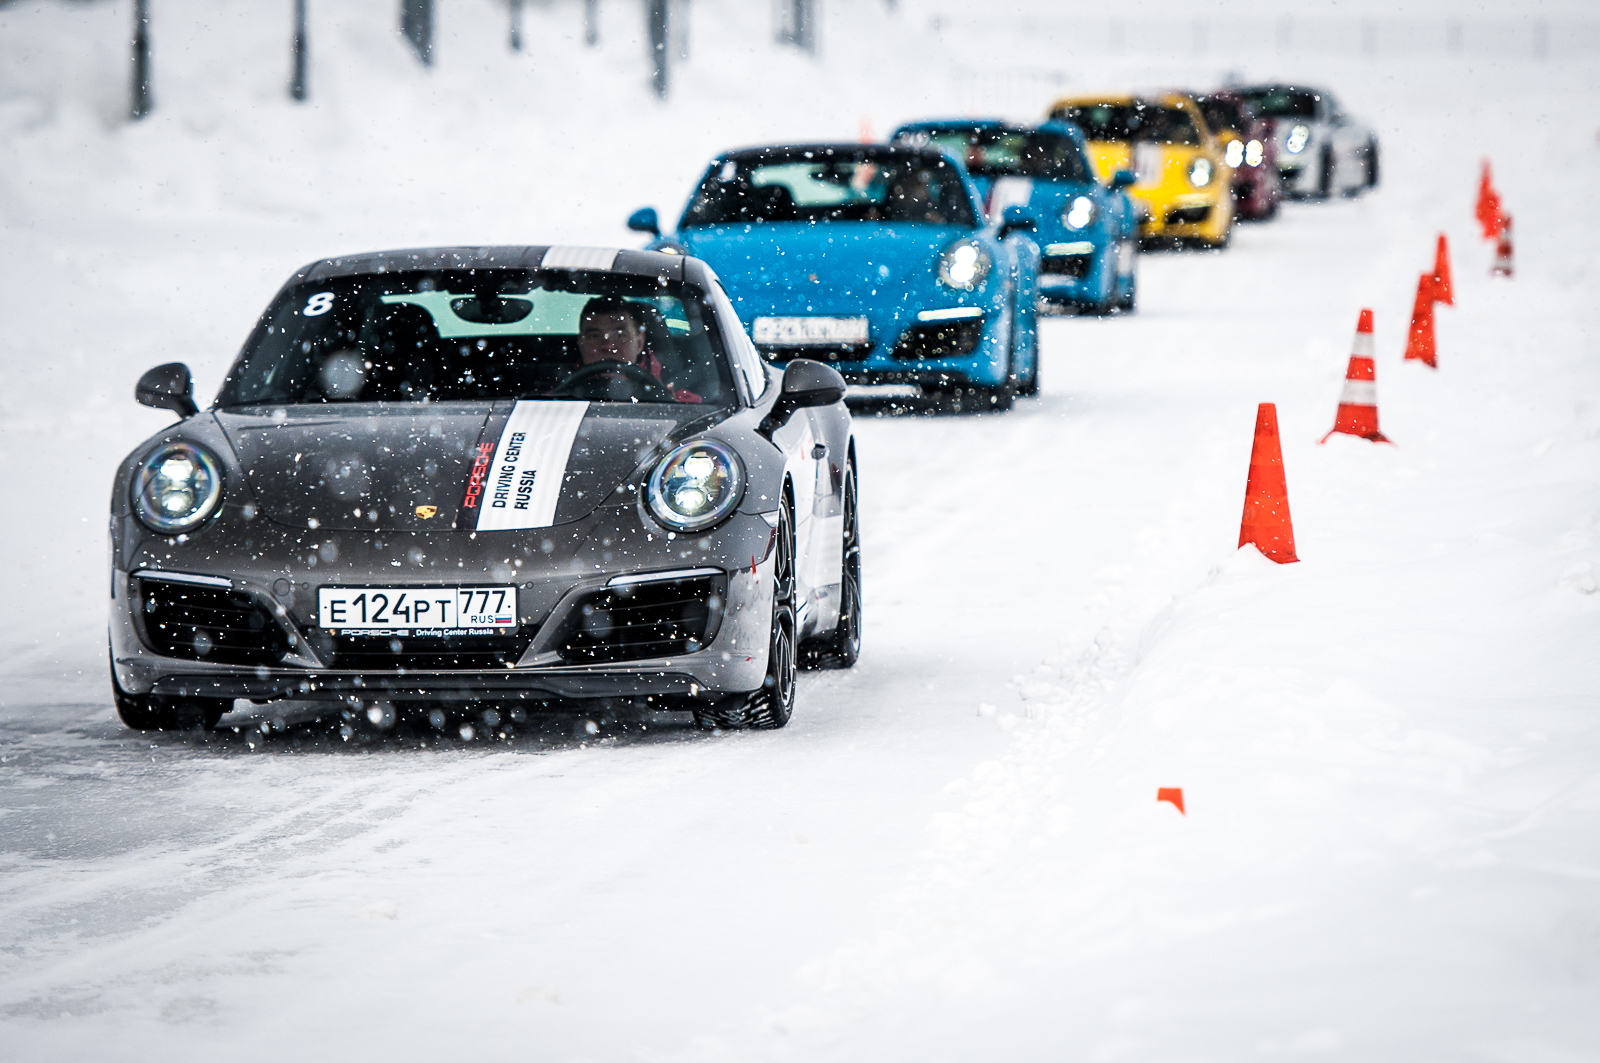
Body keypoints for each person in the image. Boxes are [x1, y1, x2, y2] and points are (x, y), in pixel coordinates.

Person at [567, 297, 699, 402]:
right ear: (581, 343)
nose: (607, 346)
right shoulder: (553, 401)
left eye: (619, 335)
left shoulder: (681, 401)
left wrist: (672, 407)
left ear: (639, 343)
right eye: (594, 336)